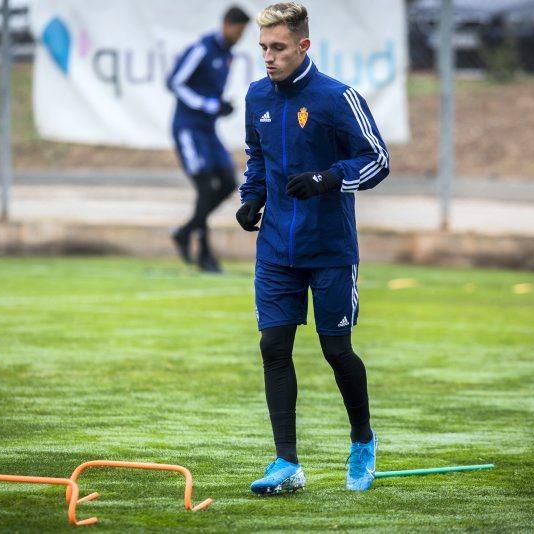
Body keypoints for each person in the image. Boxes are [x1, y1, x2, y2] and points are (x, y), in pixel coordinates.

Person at [236, 2, 390, 494]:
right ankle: (286, 464)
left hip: (330, 249)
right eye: (263, 48)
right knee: (273, 347)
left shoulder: (337, 98)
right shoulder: (257, 96)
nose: (268, 57)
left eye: (278, 47)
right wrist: (251, 200)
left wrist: (328, 179)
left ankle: (363, 442)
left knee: (336, 350)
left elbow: (378, 160)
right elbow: (257, 159)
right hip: (276, 248)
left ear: (303, 46)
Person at [167, 6, 251, 273]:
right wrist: (208, 105)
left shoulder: (227, 55)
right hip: (188, 129)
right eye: (238, 30)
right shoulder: (203, 49)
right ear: (226, 24)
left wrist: (221, 107)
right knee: (205, 187)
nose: (239, 36)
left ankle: (185, 231)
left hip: (208, 131)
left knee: (227, 183)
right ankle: (204, 253)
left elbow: (210, 97)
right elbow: (174, 82)